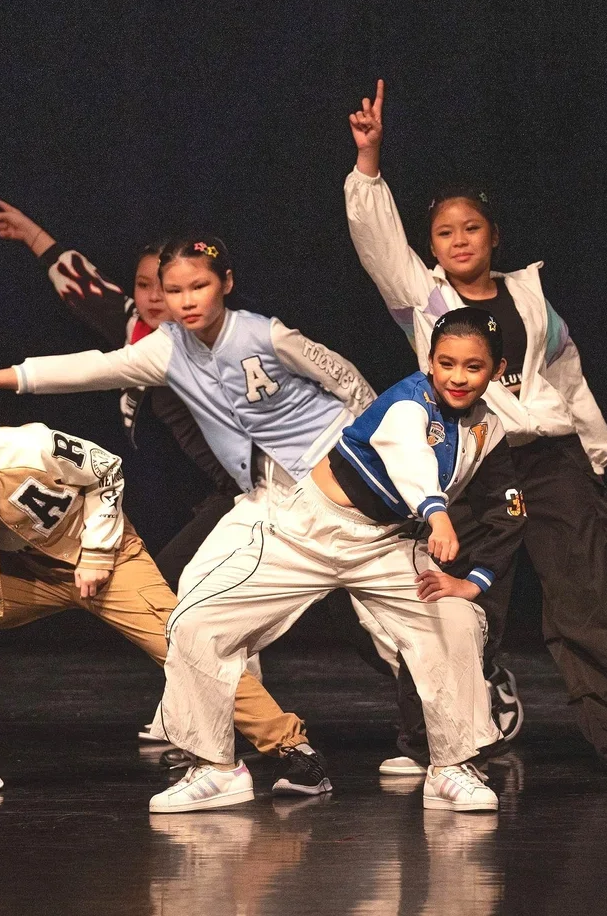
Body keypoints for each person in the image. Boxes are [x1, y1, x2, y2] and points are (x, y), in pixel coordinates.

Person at [0, 235, 377, 795]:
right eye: (172, 289)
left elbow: (349, 381)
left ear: (226, 283)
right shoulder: (166, 348)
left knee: (396, 623)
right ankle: (218, 764)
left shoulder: (266, 333)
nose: (184, 301)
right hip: (268, 501)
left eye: (199, 286)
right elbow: (92, 368)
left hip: (341, 491)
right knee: (193, 619)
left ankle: (450, 753)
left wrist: (378, 460)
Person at [0, 385, 311, 796]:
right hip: (21, 583)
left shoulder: (34, 446)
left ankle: (292, 749)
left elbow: (106, 471)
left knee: (184, 643)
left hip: (107, 564)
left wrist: (97, 552)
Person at [343, 80, 607, 766]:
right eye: (444, 233)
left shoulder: (530, 296)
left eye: (470, 228)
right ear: (433, 246)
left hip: (551, 458)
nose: (458, 240)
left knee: (587, 601)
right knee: (461, 600)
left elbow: (567, 375)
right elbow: (377, 243)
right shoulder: (423, 299)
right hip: (473, 464)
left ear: (493, 235)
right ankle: (435, 742)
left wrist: (594, 456)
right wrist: (368, 162)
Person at [150, 308, 522, 813]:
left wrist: (472, 584)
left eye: (473, 367)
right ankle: (215, 770)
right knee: (197, 621)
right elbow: (408, 453)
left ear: (496, 371)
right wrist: (437, 515)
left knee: (455, 620)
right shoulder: (407, 402)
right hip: (308, 531)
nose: (457, 376)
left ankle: (451, 766)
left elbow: (509, 510)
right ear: (429, 362)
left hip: (385, 544)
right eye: (446, 363)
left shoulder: (489, 430)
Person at [0, 201, 240, 586]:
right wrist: (31, 234)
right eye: (143, 285)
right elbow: (85, 288)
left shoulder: (213, 345)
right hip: (175, 492)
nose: (155, 297)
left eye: (166, 286)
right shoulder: (132, 327)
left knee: (178, 586)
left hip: (234, 490)